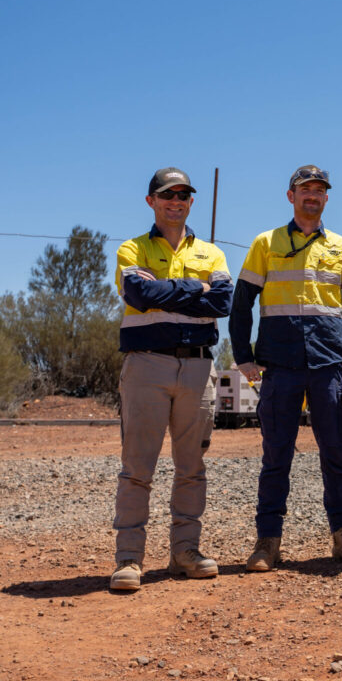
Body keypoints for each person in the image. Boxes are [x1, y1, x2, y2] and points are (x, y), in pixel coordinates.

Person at [229, 165, 342, 569]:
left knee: (336, 455)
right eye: (304, 189)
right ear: (290, 196)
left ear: (326, 198)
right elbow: (241, 303)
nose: (312, 195)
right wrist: (243, 356)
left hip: (330, 366)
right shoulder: (266, 243)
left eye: (319, 190)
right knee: (276, 456)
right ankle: (268, 541)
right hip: (280, 366)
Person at [110, 167, 232, 592]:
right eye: (167, 195)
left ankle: (185, 552)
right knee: (137, 467)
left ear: (191, 202)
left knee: (191, 467)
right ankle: (129, 559)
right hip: (146, 365)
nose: (175, 202)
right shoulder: (132, 248)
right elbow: (138, 295)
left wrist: (168, 289)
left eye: (183, 195)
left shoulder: (212, 253)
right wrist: (196, 288)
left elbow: (222, 301)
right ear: (151, 201)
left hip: (198, 368)